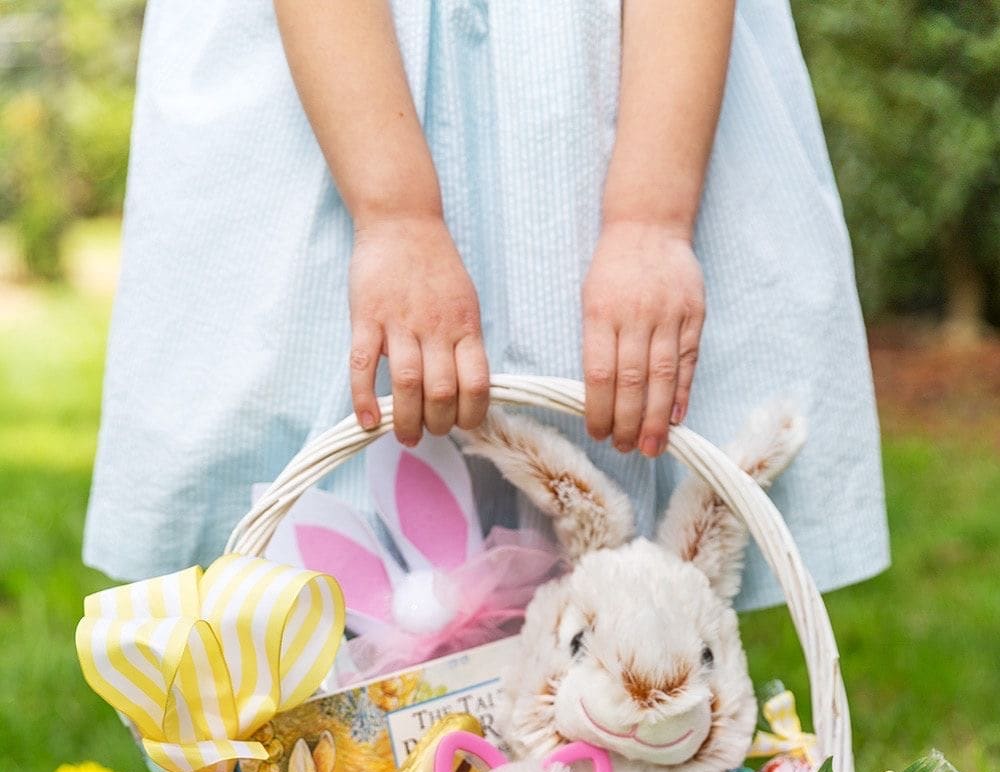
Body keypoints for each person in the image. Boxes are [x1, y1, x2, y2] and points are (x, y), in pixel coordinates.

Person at [84, 0, 889, 608]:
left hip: (631, 74)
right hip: (335, 65)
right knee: (289, 575)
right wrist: (396, 214)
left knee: (635, 592)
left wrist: (650, 217)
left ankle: (625, 761)